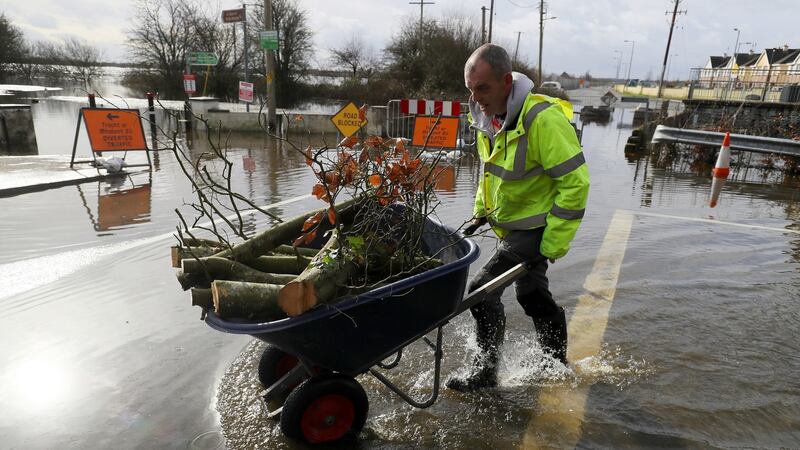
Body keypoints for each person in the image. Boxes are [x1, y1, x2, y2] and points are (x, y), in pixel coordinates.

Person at [446, 44, 590, 392]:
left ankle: (485, 373)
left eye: (483, 88)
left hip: (535, 228)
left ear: (506, 81)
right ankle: (556, 363)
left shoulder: (542, 119)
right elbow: (490, 172)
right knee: (532, 294)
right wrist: (482, 211)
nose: (476, 98)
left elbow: (575, 183)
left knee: (480, 291)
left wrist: (554, 240)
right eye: (471, 89)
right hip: (509, 225)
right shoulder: (488, 118)